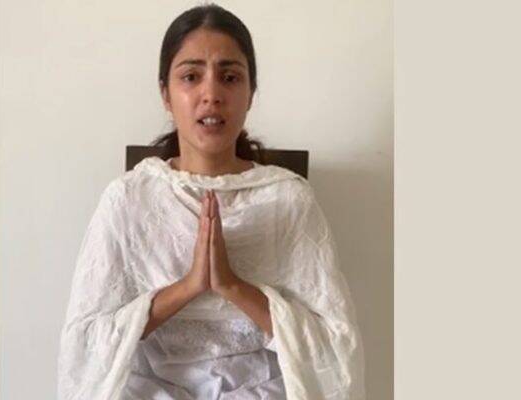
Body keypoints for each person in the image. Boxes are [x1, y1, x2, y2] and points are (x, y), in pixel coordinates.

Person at [57, 3, 365, 399]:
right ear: (166, 94)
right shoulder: (129, 199)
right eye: (191, 76)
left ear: (250, 93)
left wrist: (233, 286)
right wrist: (188, 287)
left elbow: (334, 345)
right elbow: (84, 346)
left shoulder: (288, 200)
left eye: (230, 77)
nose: (212, 94)